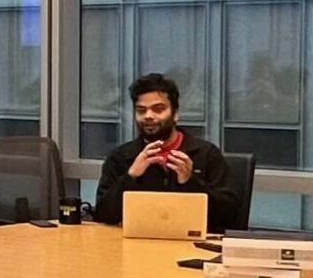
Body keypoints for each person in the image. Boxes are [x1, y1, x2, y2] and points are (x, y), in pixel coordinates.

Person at [91, 73, 246, 231]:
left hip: (193, 246)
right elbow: (102, 216)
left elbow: (229, 217)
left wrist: (190, 181)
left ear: (175, 114)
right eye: (141, 111)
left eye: (158, 109)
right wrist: (130, 176)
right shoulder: (120, 157)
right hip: (137, 245)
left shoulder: (206, 154)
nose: (148, 116)